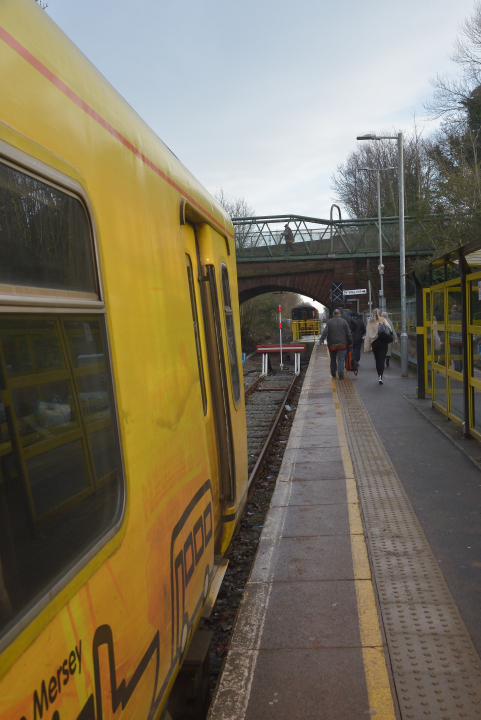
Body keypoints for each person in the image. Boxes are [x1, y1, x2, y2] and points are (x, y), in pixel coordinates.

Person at [320, 308, 353, 379]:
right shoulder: (344, 322)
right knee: (341, 359)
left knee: (333, 358)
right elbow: (349, 333)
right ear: (340, 315)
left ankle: (333, 373)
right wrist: (351, 342)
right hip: (342, 344)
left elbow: (325, 332)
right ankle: (340, 374)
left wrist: (322, 340)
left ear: (333, 314)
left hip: (332, 344)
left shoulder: (329, 322)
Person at [364, 308, 392, 384]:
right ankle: (380, 376)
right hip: (383, 342)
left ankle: (378, 375)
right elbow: (390, 328)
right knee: (382, 360)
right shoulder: (383, 320)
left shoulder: (370, 322)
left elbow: (367, 335)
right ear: (380, 313)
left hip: (375, 343)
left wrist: (366, 347)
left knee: (377, 359)